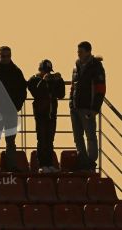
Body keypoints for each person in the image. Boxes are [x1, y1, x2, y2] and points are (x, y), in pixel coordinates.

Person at [0, 46, 27, 172]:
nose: (6, 58)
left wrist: (16, 106)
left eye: (8, 56)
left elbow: (22, 91)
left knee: (11, 141)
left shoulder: (16, 71)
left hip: (11, 111)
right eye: (3, 56)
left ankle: (11, 166)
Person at [70, 41, 106, 172]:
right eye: (78, 51)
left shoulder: (96, 67)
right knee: (77, 137)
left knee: (90, 136)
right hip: (75, 107)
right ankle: (83, 161)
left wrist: (95, 109)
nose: (78, 53)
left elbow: (100, 89)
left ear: (88, 52)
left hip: (87, 108)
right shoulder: (76, 66)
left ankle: (91, 162)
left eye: (80, 51)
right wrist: (71, 104)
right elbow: (73, 86)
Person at [28, 60, 65, 173]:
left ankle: (49, 164)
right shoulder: (34, 80)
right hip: (40, 113)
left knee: (50, 139)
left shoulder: (52, 80)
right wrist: (44, 81)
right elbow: (36, 93)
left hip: (52, 113)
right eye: (45, 71)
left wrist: (60, 80)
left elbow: (61, 94)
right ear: (40, 71)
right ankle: (42, 165)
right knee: (42, 139)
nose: (47, 74)